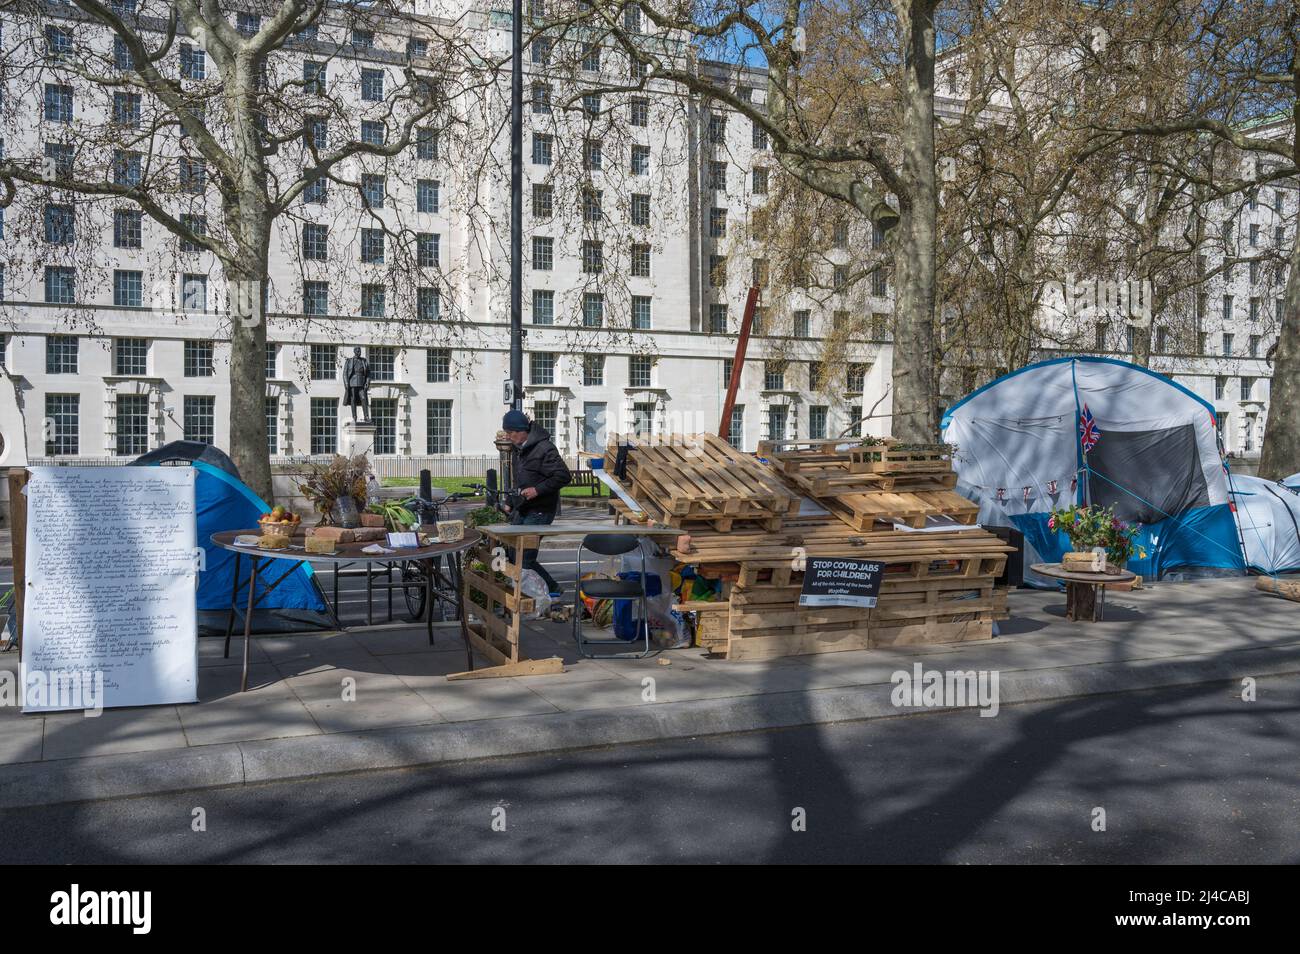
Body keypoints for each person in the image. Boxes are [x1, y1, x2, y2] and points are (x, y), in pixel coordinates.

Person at [502, 409, 571, 598]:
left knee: (525, 557)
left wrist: (537, 490)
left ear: (521, 430)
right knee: (514, 553)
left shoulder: (544, 448)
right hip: (523, 508)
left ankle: (549, 590)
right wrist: (509, 502)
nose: (508, 437)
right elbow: (519, 480)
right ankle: (539, 590)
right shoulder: (519, 450)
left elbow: (563, 476)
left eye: (511, 433)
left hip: (540, 510)